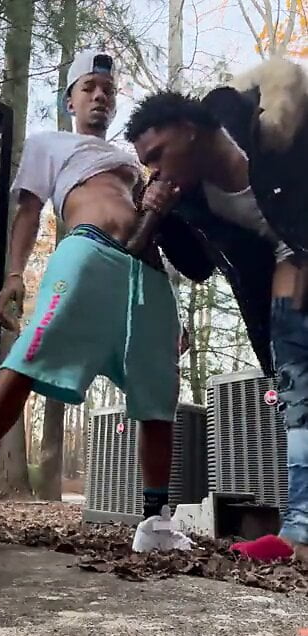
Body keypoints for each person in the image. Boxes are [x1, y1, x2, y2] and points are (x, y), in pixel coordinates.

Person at [0, 49, 211, 561]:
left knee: (159, 396)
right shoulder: (48, 143)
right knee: (29, 353)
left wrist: (174, 301)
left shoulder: (132, 161)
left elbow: (154, 227)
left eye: (107, 90)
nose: (99, 96)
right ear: (70, 99)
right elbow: (29, 212)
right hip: (88, 254)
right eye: (89, 88)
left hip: (150, 278)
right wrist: (14, 276)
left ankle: (155, 521)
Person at [125, 55, 308, 565]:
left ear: (189, 128)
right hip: (281, 294)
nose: (155, 168)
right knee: (299, 404)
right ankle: (300, 533)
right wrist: (158, 217)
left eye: (157, 154)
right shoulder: (191, 200)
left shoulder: (265, 121)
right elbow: (197, 268)